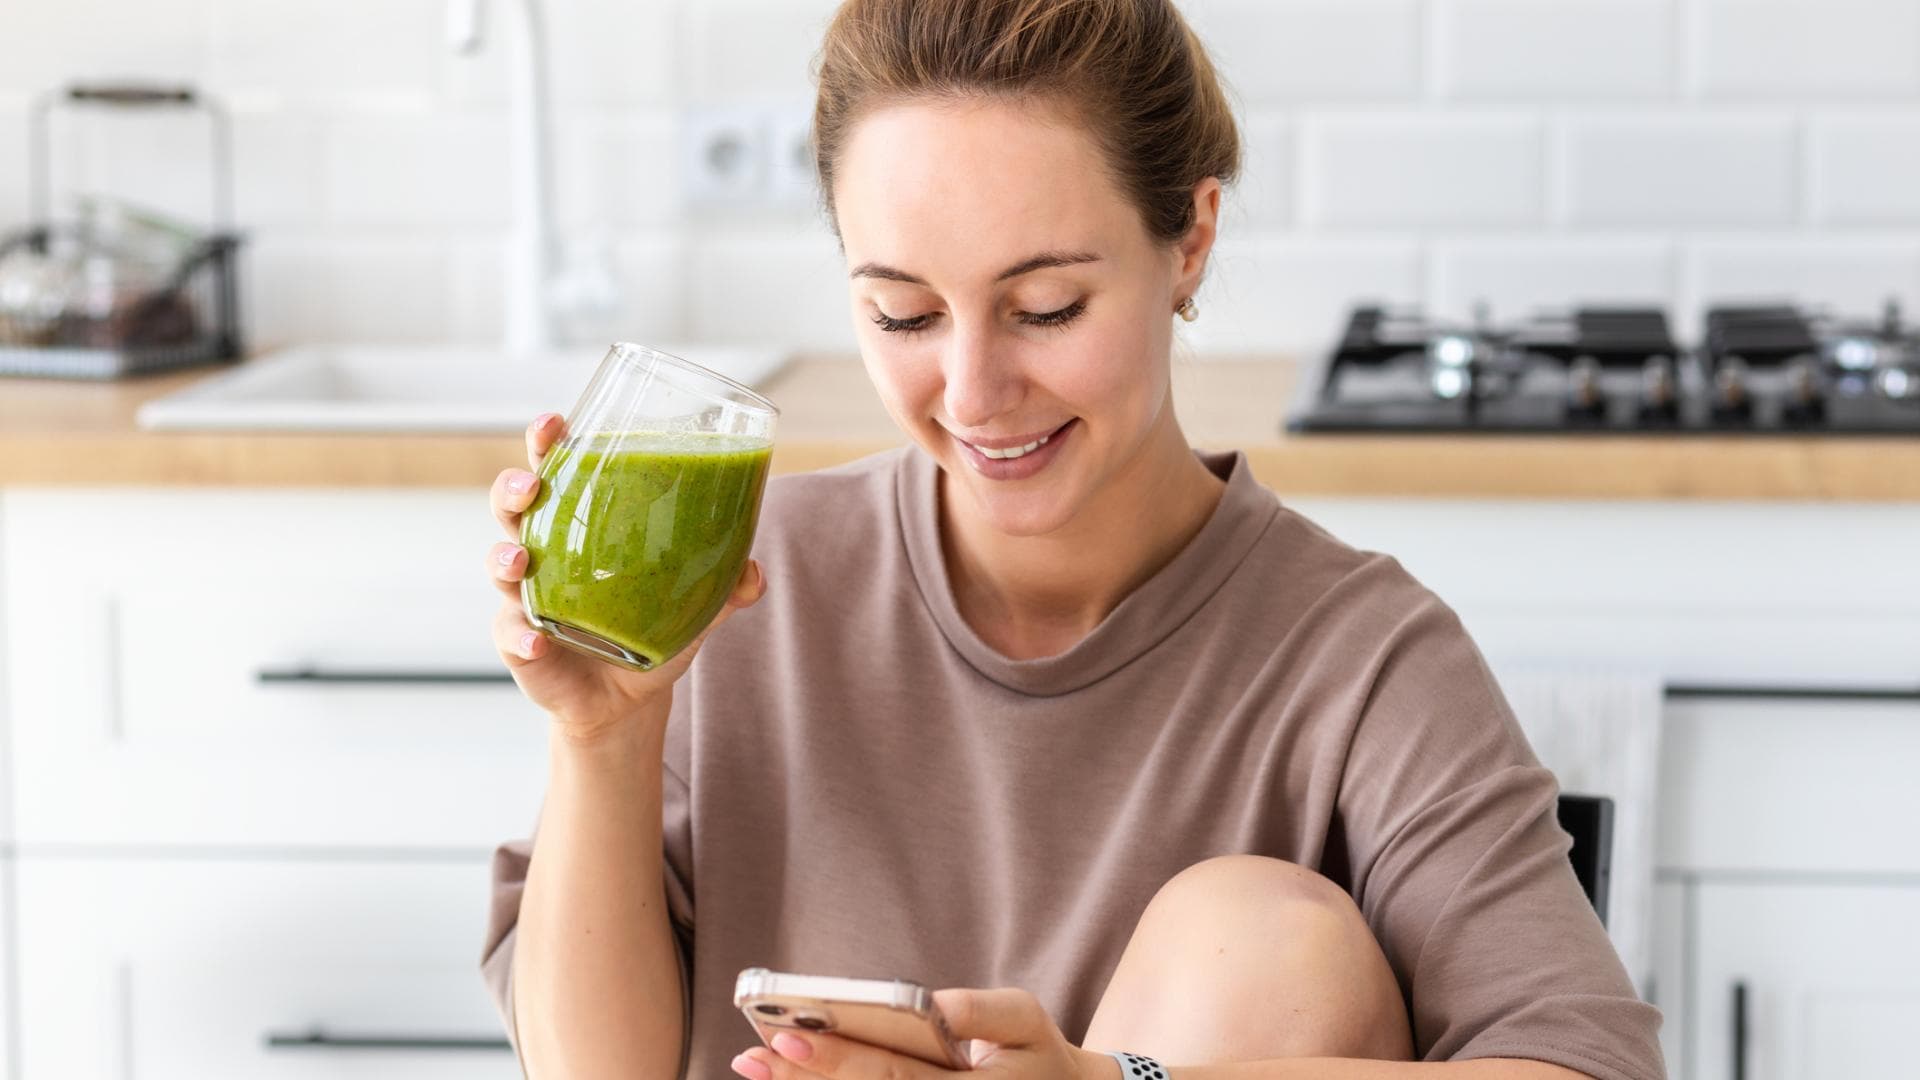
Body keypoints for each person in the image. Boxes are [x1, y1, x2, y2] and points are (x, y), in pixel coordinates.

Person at [478, 1, 1666, 1078]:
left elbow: (1586, 1065)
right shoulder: (738, 587)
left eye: (1046, 308)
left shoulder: (1358, 657)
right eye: (903, 313)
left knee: (1262, 940)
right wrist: (604, 740)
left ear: (1189, 239)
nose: (975, 390)